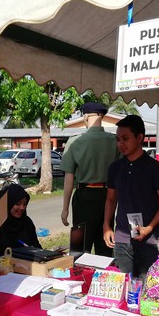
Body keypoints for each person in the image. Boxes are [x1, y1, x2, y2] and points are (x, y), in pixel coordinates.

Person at [103, 115, 159, 280]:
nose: (121, 143)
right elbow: (111, 199)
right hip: (121, 239)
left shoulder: (155, 168)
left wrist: (149, 227)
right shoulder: (115, 168)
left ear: (140, 138)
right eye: (118, 139)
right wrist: (106, 226)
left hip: (149, 240)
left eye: (125, 138)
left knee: (146, 286)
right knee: (123, 285)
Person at [60, 102, 119, 256]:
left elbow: (69, 177)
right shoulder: (114, 141)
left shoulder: (75, 141)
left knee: (80, 248)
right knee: (105, 244)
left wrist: (65, 208)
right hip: (108, 197)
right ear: (103, 116)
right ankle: (105, 271)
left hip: (84, 197)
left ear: (85, 117)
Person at [0, 183, 41, 257]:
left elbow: (37, 246)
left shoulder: (27, 222)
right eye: (18, 204)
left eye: (24, 204)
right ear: (8, 203)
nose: (22, 208)